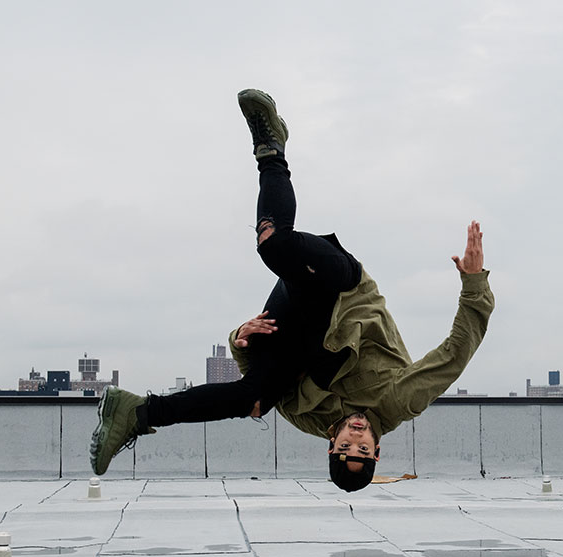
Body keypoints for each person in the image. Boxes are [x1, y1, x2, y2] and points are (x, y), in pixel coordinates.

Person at [90, 89, 494, 491]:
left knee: (254, 400)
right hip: (343, 290)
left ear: (331, 447)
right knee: (274, 244)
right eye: (363, 449)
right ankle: (271, 150)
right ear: (377, 451)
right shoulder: (398, 400)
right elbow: (454, 355)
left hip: (299, 324)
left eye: (345, 449)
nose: (355, 438)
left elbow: (264, 375)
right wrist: (473, 284)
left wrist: (239, 340)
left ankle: (138, 413)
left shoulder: (307, 419)